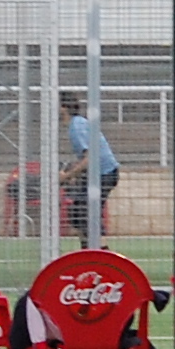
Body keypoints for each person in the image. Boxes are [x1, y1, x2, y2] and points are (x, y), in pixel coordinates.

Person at [59, 91, 119, 246]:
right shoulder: (77, 124)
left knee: (86, 211)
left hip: (105, 174)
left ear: (63, 107)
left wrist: (66, 176)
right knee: (76, 211)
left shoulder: (77, 127)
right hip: (97, 174)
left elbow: (89, 158)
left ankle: (102, 251)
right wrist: (74, 174)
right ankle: (86, 249)